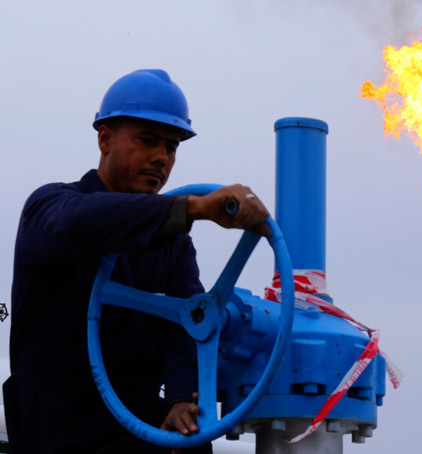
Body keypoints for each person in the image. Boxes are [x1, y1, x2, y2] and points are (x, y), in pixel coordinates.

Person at [3, 69, 269, 453]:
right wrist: (192, 208)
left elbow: (189, 319)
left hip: (132, 428)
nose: (161, 158)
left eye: (172, 147)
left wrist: (181, 397)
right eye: (147, 141)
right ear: (105, 138)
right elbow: (84, 220)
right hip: (54, 431)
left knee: (194, 444)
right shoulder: (50, 209)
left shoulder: (172, 244)